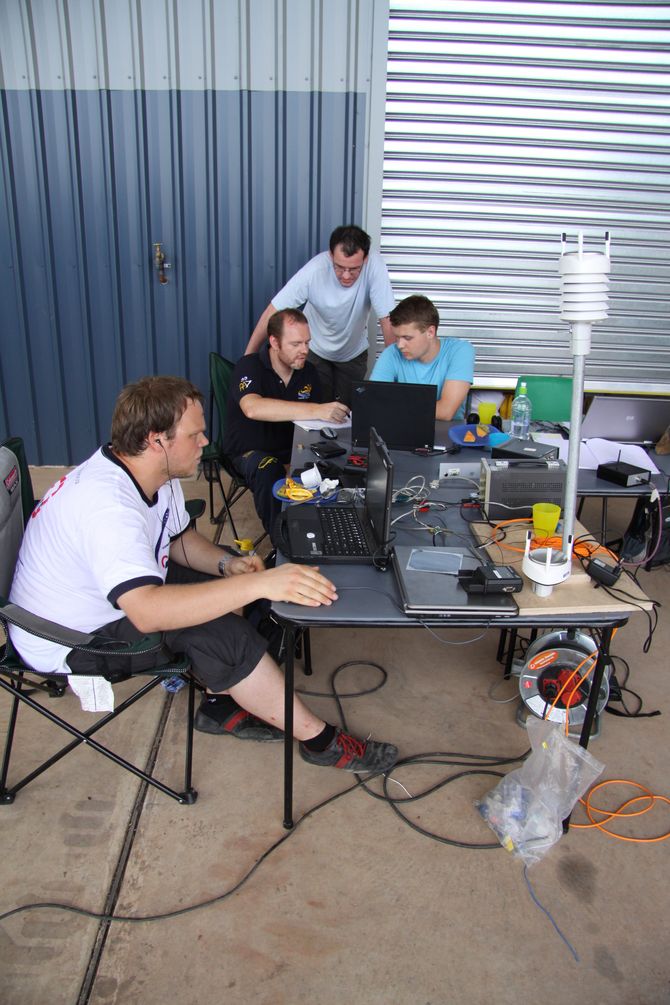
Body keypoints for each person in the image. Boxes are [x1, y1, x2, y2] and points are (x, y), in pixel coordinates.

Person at [8, 376, 397, 773]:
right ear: (157, 439)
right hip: (69, 636)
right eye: (195, 435)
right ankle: (320, 742)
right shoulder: (107, 508)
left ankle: (218, 705)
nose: (205, 443)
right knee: (223, 635)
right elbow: (147, 613)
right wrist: (257, 583)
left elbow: (177, 540)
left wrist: (229, 567)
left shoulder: (151, 471)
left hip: (104, 600)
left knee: (231, 586)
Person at [225, 308, 349, 543]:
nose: (304, 350)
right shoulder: (248, 366)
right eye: (295, 344)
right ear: (274, 342)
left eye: (307, 342)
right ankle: (284, 545)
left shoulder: (309, 372)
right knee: (269, 470)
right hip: (249, 452)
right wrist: (317, 409)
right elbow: (253, 408)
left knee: (336, 468)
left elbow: (315, 422)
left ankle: (326, 537)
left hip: (294, 450)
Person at [245, 225, 396, 405]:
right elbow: (273, 310)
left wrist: (395, 373)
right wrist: (248, 359)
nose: (346, 276)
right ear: (330, 256)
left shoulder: (375, 266)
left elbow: (387, 319)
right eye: (339, 267)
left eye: (354, 269)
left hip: (352, 353)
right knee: (316, 412)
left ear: (365, 259)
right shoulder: (314, 270)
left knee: (348, 414)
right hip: (315, 351)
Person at [370, 295, 474, 421]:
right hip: (404, 431)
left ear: (430, 332)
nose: (400, 345)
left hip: (445, 434)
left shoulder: (460, 351)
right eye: (397, 337)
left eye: (407, 338)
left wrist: (392, 404)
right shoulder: (391, 353)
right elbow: (373, 401)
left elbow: (446, 411)